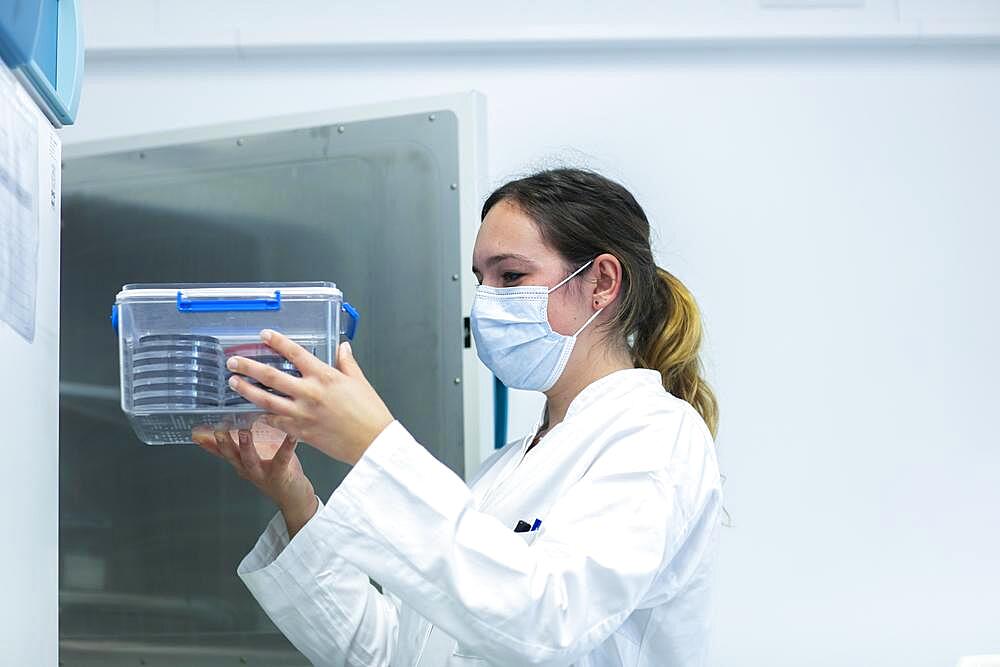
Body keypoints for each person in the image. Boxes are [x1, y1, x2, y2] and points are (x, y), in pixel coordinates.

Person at [193, 168, 723, 666]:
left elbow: (549, 621)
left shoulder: (658, 434)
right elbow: (391, 653)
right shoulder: (504, 471)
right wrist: (294, 496)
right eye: (481, 280)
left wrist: (373, 444)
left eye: (511, 276)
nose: (487, 303)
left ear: (602, 282)